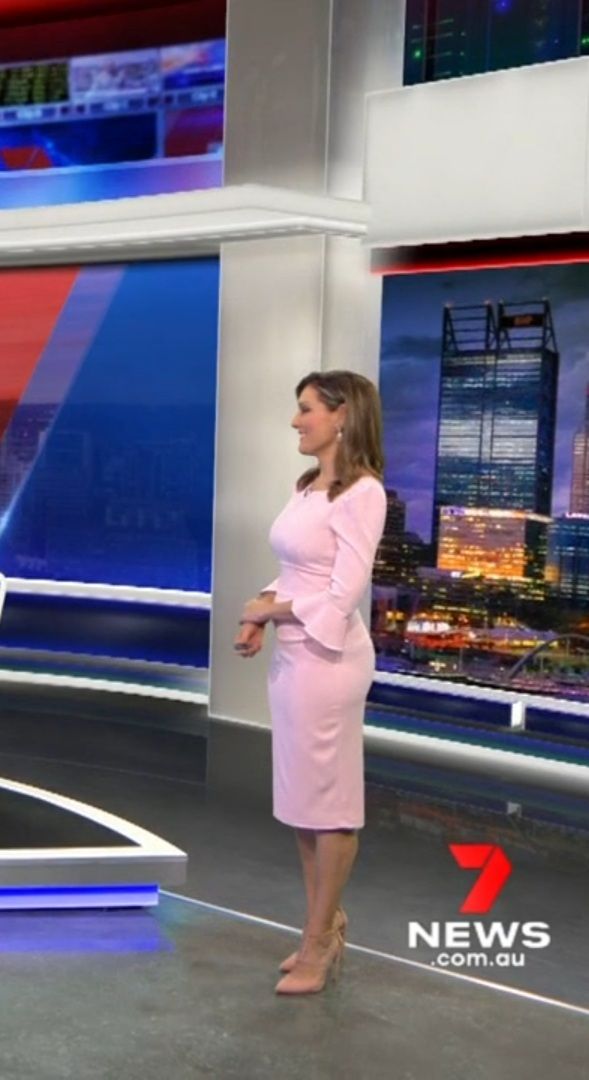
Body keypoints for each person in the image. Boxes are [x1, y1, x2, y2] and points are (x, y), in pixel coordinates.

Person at [233, 370, 387, 996]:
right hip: (295, 660)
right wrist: (259, 613)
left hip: (330, 663)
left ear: (342, 415)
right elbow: (296, 571)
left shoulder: (363, 493)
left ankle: (319, 942)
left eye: (306, 409)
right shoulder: (307, 487)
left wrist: (271, 610)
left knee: (330, 807)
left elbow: (342, 593)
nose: (296, 421)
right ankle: (322, 924)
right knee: (303, 804)